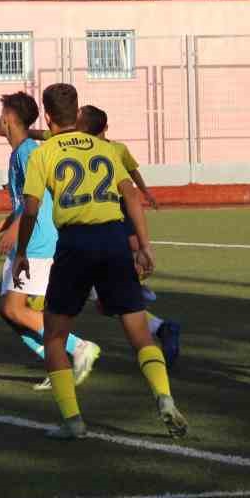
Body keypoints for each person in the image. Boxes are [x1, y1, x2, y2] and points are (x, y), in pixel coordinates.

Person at [11, 84, 186, 440]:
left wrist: (22, 252)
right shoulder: (106, 148)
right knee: (138, 332)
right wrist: (144, 245)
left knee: (56, 336)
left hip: (74, 244)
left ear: (47, 116)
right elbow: (131, 195)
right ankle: (164, 397)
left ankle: (73, 421)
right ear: (77, 114)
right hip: (113, 241)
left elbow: (30, 208)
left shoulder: (42, 153)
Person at [0, 92, 101, 390]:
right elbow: (21, 203)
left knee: (14, 310)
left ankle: (78, 347)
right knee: (10, 312)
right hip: (28, 240)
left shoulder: (28, 152)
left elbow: (38, 198)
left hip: (37, 242)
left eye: (1, 112)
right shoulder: (19, 152)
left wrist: (15, 232)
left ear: (9, 118)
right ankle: (57, 365)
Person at [72, 106, 181, 366]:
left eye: (77, 118)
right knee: (108, 300)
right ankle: (157, 323)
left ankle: (135, 290)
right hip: (98, 222)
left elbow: (131, 179)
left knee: (103, 296)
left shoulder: (113, 150)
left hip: (110, 216)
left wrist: (146, 194)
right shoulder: (74, 146)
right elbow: (41, 132)